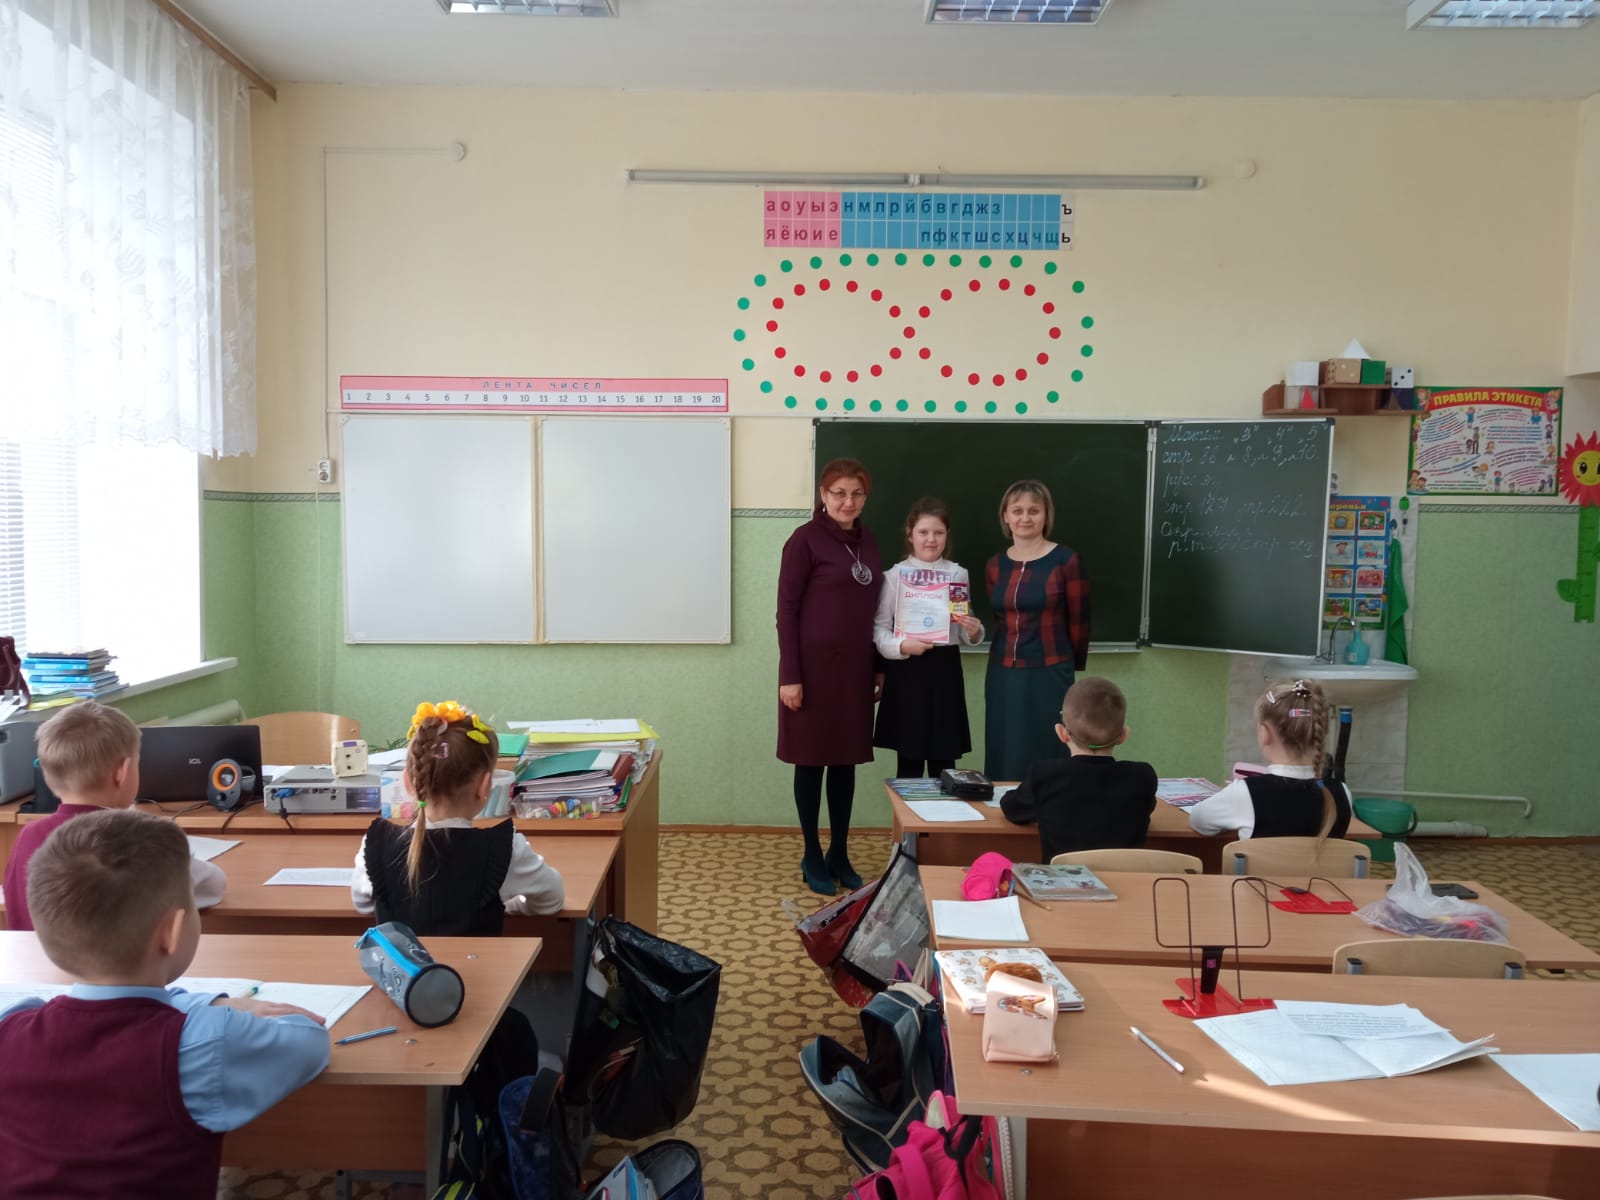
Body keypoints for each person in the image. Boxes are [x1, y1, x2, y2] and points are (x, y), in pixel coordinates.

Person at [0, 808, 329, 1198]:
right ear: (171, 932)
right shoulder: (206, 1041)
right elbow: (311, 1041)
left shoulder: (10, 1028)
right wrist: (211, 1008)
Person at [3, 701, 226, 931]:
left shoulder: (27, 835)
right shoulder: (138, 838)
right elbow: (213, 885)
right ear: (123, 772)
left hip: (29, 955)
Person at [352, 700, 563, 932]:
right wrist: (510, 905)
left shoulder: (374, 844)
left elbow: (363, 904)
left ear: (407, 783)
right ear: (485, 785)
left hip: (397, 959)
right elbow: (551, 899)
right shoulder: (506, 848)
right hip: (478, 958)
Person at [777, 458, 882, 896]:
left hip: (855, 670)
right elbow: (786, 611)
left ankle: (839, 851)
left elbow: (878, 610)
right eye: (839, 493)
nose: (847, 501)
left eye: (856, 493)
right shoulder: (804, 540)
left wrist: (879, 666)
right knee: (811, 761)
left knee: (845, 762)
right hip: (811, 672)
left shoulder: (869, 540)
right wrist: (790, 675)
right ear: (823, 495)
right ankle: (811, 854)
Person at [984, 480, 1091, 781]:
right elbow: (999, 618)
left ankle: (1050, 805)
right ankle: (1005, 806)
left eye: (1034, 511)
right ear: (1005, 516)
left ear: (1046, 516)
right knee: (1005, 746)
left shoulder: (1066, 561)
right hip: (1002, 672)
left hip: (1050, 670)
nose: (1025, 518)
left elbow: (1080, 621)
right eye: (1017, 511)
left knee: (1048, 745)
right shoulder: (995, 565)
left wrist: (1069, 668)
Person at [872, 497, 984, 779]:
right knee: (909, 761)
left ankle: (943, 811)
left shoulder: (957, 574)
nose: (931, 539)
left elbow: (962, 625)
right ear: (910, 534)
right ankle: (907, 812)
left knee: (944, 761)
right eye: (923, 532)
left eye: (938, 532)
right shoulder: (894, 576)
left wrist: (974, 631)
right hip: (907, 671)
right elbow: (879, 628)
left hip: (945, 670)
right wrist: (901, 646)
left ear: (947, 536)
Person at [1000, 677, 1157, 862]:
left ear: (1062, 733)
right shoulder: (1142, 777)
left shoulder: (1045, 775)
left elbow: (1013, 810)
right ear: (1123, 735)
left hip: (1063, 879)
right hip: (1125, 878)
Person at [1186, 679, 1352, 839]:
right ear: (1321, 733)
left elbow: (1198, 820)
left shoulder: (1244, 793)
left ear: (1265, 733)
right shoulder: (1342, 793)